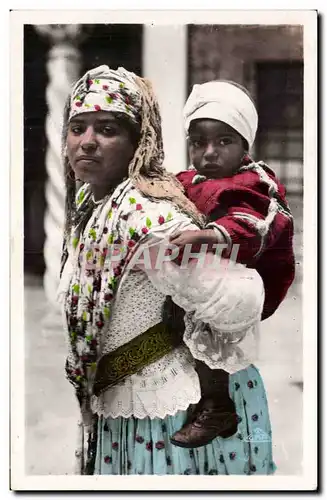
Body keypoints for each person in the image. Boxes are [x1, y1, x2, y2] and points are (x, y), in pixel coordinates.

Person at [58, 65, 276, 475]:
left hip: (169, 410)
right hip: (122, 400)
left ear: (138, 140)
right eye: (78, 128)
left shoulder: (147, 218)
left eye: (107, 129)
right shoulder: (95, 205)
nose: (87, 142)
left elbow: (237, 301)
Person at [168, 80, 295, 449]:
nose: (209, 153)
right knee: (182, 323)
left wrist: (207, 236)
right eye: (198, 142)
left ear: (244, 146)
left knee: (211, 331)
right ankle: (201, 400)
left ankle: (218, 407)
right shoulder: (193, 179)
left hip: (248, 278)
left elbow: (251, 224)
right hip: (213, 273)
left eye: (223, 141)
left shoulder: (253, 182)